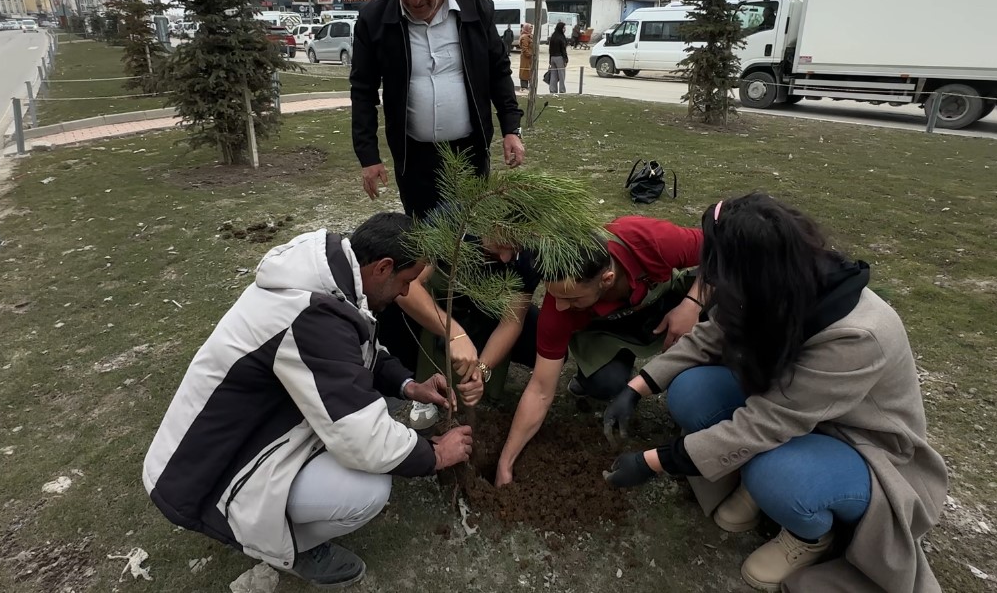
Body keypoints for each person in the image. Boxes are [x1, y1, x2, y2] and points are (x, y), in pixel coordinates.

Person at [602, 194, 949, 593]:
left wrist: (652, 461)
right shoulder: (767, 283)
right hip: (793, 411)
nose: (710, 277)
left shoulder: (858, 334)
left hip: (858, 443)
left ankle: (810, 535)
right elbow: (709, 335)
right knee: (690, 392)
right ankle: (756, 481)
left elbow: (767, 423)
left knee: (775, 475)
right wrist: (637, 387)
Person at [143, 213, 481, 588]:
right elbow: (364, 440)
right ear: (383, 267)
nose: (405, 293)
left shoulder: (331, 274)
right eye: (405, 282)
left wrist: (408, 386)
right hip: (207, 468)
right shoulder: (312, 315)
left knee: (380, 409)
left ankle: (276, 519)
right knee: (369, 491)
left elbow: (357, 351)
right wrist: (435, 455)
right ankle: (285, 546)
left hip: (252, 423)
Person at [493, 216, 705, 486]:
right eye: (554, 295)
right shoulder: (557, 311)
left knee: (718, 311)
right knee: (606, 383)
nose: (560, 306)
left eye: (571, 298)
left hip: (664, 309)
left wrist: (693, 303)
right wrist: (506, 462)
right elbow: (540, 390)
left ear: (607, 279)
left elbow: (722, 250)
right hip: (610, 330)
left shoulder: (649, 239)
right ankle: (600, 373)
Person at [350, 0, 525, 220]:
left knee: (472, 229)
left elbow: (498, 70)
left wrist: (511, 128)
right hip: (414, 157)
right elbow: (363, 91)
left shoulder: (475, 7)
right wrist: (368, 156)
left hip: (470, 151)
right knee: (422, 233)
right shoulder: (374, 19)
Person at [377, 228, 540, 427]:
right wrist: (455, 334)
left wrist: (481, 369)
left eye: (514, 249)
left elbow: (512, 321)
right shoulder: (451, 226)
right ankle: (421, 382)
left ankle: (483, 386)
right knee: (391, 311)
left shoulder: (529, 254)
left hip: (488, 312)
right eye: (500, 245)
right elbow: (408, 289)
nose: (506, 258)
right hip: (441, 304)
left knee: (534, 334)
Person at [547, 21, 569, 94]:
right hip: (559, 57)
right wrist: (565, 59)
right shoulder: (561, 37)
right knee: (561, 75)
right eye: (563, 28)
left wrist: (550, 59)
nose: (565, 29)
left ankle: (552, 89)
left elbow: (550, 49)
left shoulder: (553, 36)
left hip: (552, 57)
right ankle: (562, 90)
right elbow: (563, 49)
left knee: (553, 75)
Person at [517, 23, 533, 91]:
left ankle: (529, 88)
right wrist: (529, 55)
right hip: (526, 58)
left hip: (530, 59)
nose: (531, 30)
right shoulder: (525, 37)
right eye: (530, 29)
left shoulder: (530, 36)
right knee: (525, 72)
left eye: (531, 29)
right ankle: (524, 87)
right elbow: (524, 48)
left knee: (529, 72)